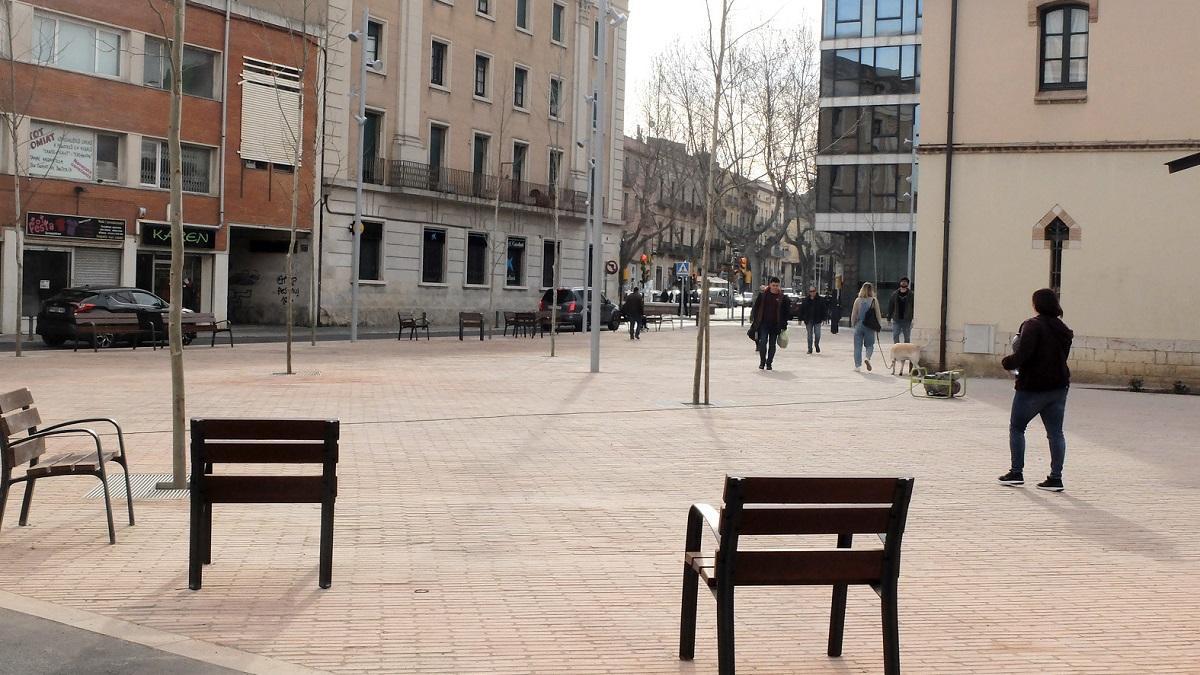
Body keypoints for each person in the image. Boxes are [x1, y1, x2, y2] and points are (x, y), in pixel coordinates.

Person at [997, 289, 1074, 492]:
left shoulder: (1032, 325)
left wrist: (1007, 362)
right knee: (1055, 433)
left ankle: (1016, 472)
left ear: (1036, 304)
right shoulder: (1063, 329)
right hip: (1058, 386)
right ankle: (1055, 478)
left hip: (1032, 386)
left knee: (1017, 428)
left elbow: (1025, 353)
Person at [749, 276, 791, 371]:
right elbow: (756, 308)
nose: (775, 287)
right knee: (763, 342)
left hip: (775, 325)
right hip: (764, 324)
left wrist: (783, 325)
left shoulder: (782, 297)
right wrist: (754, 319)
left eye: (777, 285)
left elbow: (786, 312)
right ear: (770, 285)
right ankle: (762, 361)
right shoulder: (763, 295)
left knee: (772, 344)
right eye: (773, 285)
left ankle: (769, 363)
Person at [850, 282, 884, 371]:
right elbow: (878, 314)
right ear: (871, 290)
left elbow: (854, 314)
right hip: (870, 326)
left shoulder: (858, 300)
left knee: (857, 346)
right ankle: (867, 358)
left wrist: (853, 324)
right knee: (870, 345)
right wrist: (879, 326)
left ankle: (857, 366)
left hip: (859, 324)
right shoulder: (874, 300)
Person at [796, 286, 827, 354]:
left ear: (815, 291)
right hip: (808, 320)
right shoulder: (806, 300)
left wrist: (824, 318)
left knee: (818, 334)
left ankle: (816, 344)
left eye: (813, 291)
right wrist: (800, 319)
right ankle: (810, 348)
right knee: (809, 335)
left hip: (817, 320)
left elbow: (824, 309)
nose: (812, 293)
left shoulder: (820, 300)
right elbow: (801, 310)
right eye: (810, 291)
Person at [887, 277, 914, 343]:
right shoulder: (894, 294)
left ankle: (906, 350)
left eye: (905, 281)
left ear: (907, 283)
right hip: (897, 319)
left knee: (907, 337)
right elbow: (891, 306)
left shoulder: (911, 295)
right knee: (895, 335)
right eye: (902, 281)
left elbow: (914, 306)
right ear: (900, 283)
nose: (903, 282)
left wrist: (913, 317)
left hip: (907, 319)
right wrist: (889, 318)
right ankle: (897, 350)